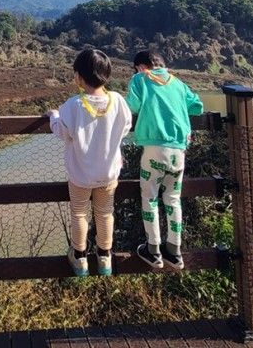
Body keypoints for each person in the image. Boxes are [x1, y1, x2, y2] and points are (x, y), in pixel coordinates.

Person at [48, 49, 132, 277]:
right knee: (105, 213)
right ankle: (105, 258)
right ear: (107, 75)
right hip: (108, 173)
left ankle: (80, 258)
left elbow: (61, 131)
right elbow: (125, 128)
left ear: (79, 77)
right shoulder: (118, 101)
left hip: (80, 175)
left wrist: (53, 116)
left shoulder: (73, 105)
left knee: (79, 213)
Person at [126, 50, 203, 271]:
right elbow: (197, 106)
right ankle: (175, 252)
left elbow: (132, 106)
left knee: (149, 197)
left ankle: (153, 251)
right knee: (173, 198)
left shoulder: (140, 79)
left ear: (142, 66)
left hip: (153, 149)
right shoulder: (178, 83)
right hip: (178, 151)